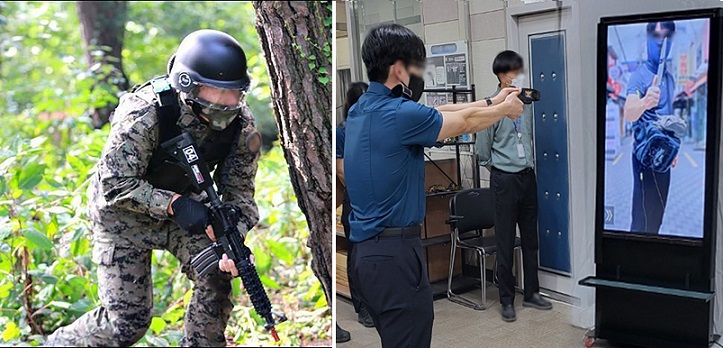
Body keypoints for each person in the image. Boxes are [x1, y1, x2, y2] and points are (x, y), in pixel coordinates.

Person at [44, 29, 262, 347]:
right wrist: (173, 203)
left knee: (216, 274)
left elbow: (241, 193)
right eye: (220, 92)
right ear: (190, 85)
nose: (231, 102)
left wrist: (232, 234)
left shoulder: (241, 125)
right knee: (127, 324)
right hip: (122, 215)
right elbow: (113, 184)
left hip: (187, 210)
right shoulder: (145, 115)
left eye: (236, 92)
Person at [344, 23, 523, 348]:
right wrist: (504, 110)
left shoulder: (362, 109)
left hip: (368, 258)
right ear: (399, 69)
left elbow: (437, 112)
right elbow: (463, 123)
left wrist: (491, 100)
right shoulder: (399, 115)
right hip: (395, 256)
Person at [476, 50, 553, 323]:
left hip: (527, 176)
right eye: (513, 71)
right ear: (501, 74)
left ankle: (532, 292)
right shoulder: (493, 107)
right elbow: (482, 151)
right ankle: (506, 299)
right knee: (505, 241)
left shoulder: (526, 103)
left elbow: (528, 138)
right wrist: (500, 170)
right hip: (504, 179)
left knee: (530, 239)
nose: (518, 75)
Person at [623, 21, 677, 234]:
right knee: (641, 221)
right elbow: (629, 111)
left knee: (657, 218)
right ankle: (632, 263)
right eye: (655, 36)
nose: (660, 43)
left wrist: (673, 147)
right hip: (645, 159)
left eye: (665, 37)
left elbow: (668, 116)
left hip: (664, 158)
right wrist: (645, 101)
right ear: (647, 39)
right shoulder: (640, 76)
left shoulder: (669, 78)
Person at [336, 82, 372, 344]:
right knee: (357, 254)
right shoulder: (342, 133)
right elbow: (342, 172)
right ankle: (363, 307)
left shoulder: (374, 129)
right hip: (356, 200)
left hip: (377, 201)